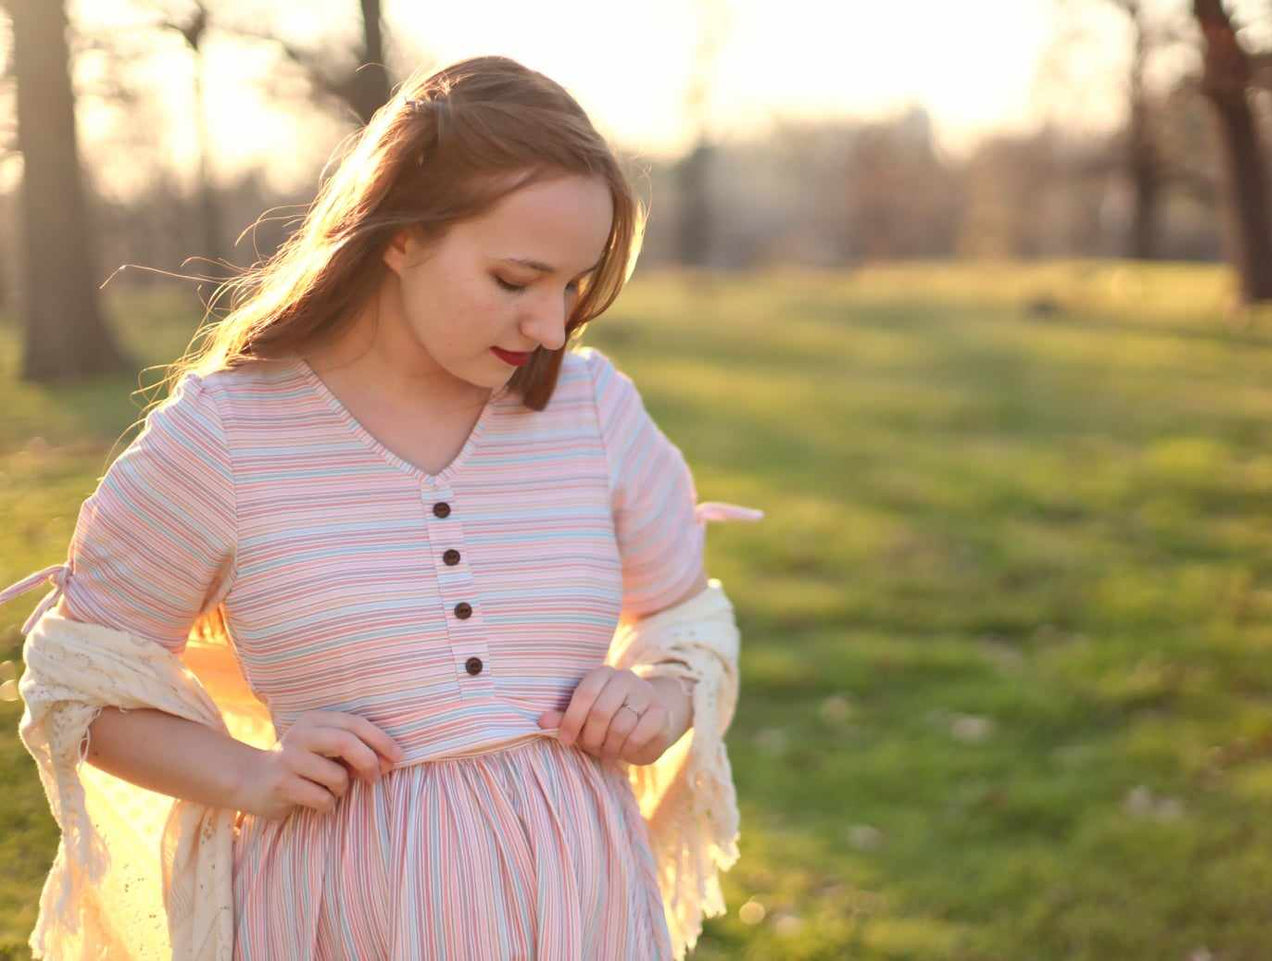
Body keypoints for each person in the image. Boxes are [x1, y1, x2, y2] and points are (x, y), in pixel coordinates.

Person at [0, 54, 761, 960]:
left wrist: (661, 696)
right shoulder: (222, 437)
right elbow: (79, 689)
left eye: (571, 285)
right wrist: (253, 773)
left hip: (580, 903)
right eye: (516, 280)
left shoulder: (594, 410)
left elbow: (688, 617)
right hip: (340, 912)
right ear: (398, 237)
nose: (552, 326)